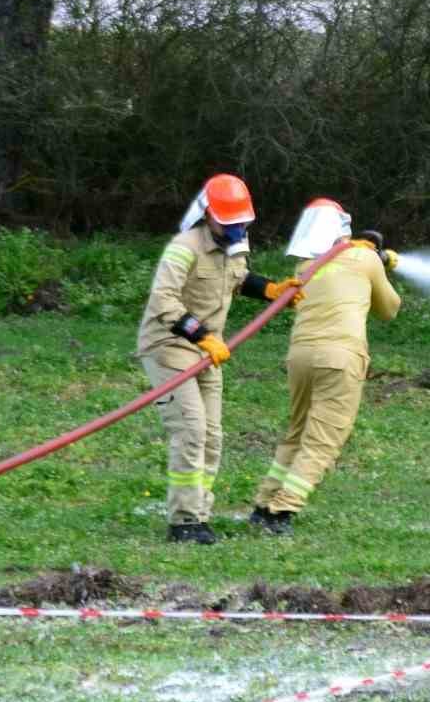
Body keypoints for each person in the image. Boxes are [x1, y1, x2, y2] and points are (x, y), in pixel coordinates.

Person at [136, 174, 302, 544]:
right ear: (210, 215)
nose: (237, 230)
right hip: (169, 348)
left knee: (212, 437)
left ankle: (199, 515)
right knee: (191, 431)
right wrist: (202, 336)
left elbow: (239, 279)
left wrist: (272, 290)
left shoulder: (236, 243)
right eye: (230, 224)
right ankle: (183, 523)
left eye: (242, 223)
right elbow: (163, 300)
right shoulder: (184, 247)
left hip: (208, 351)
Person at [249, 198, 401, 537]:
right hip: (340, 357)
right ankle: (281, 511)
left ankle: (263, 503)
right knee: (323, 440)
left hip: (300, 356)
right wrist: (380, 263)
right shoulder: (364, 259)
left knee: (297, 432)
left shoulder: (305, 266)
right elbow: (390, 310)